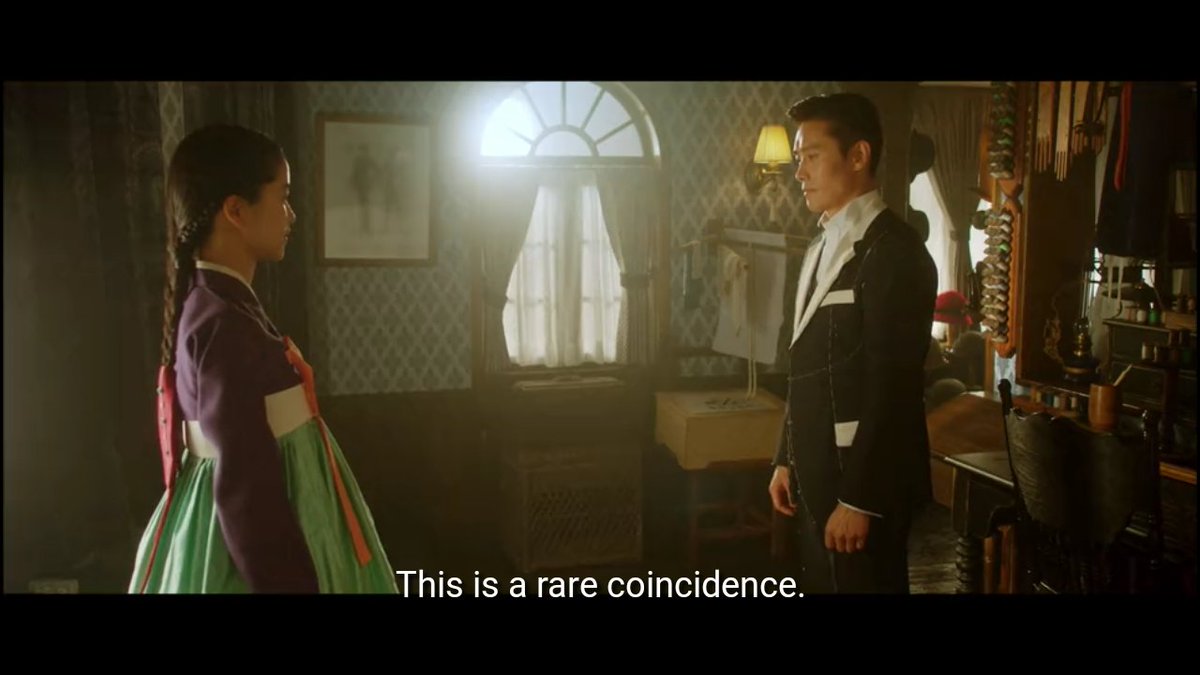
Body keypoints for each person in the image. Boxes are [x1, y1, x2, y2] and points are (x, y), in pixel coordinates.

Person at [129, 124, 398, 593]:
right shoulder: (221, 322)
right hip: (253, 551)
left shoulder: (226, 307)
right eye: (283, 197)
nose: (291, 214)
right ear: (236, 210)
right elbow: (244, 488)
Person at [768, 93, 938, 593]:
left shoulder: (897, 252)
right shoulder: (819, 245)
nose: (800, 172)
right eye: (798, 158)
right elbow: (806, 363)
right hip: (815, 476)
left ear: (858, 155)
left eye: (812, 156)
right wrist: (785, 457)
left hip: (861, 488)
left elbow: (894, 387)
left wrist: (861, 499)